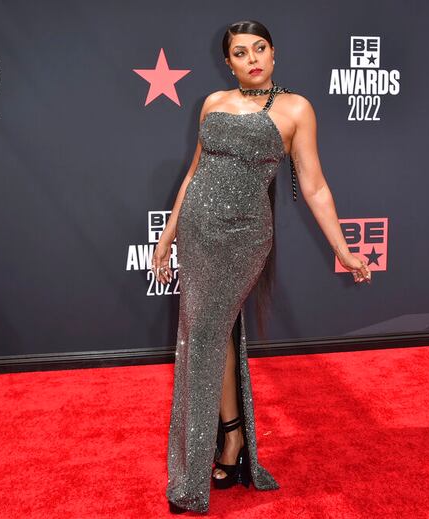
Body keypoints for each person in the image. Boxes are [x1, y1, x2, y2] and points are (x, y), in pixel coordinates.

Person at [151, 19, 372, 514]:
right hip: (198, 231)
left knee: (203, 336)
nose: (251, 58)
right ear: (227, 62)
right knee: (214, 334)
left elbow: (314, 185)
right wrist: (167, 236)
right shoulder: (212, 103)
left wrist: (342, 249)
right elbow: (193, 175)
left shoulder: (296, 109)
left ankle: (196, 472)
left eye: (259, 48)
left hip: (244, 237)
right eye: (240, 52)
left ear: (273, 54)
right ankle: (232, 438)